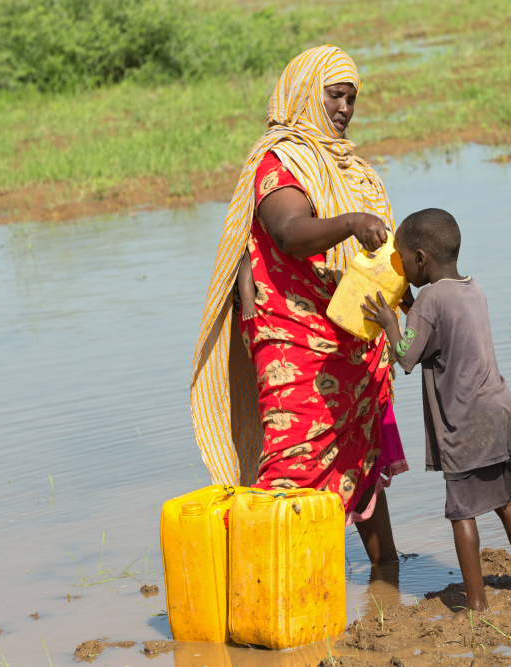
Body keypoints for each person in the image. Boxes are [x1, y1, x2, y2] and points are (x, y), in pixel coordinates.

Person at [191, 45, 408, 564]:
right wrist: (353, 222)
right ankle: (263, 581)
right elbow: (289, 233)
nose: (344, 109)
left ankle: (385, 571)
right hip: (292, 337)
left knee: (359, 451)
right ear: (308, 93)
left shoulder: (346, 162)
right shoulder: (279, 160)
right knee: (294, 459)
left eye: (351, 99)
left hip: (350, 335)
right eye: (335, 96)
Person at [362, 208, 511, 610]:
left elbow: (406, 355)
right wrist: (411, 308)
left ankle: (476, 604)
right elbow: (440, 333)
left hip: (465, 423)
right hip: (500, 414)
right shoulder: (470, 288)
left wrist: (391, 321)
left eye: (402, 257)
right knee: (504, 501)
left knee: (462, 513)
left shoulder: (428, 299)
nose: (400, 264)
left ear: (421, 258)